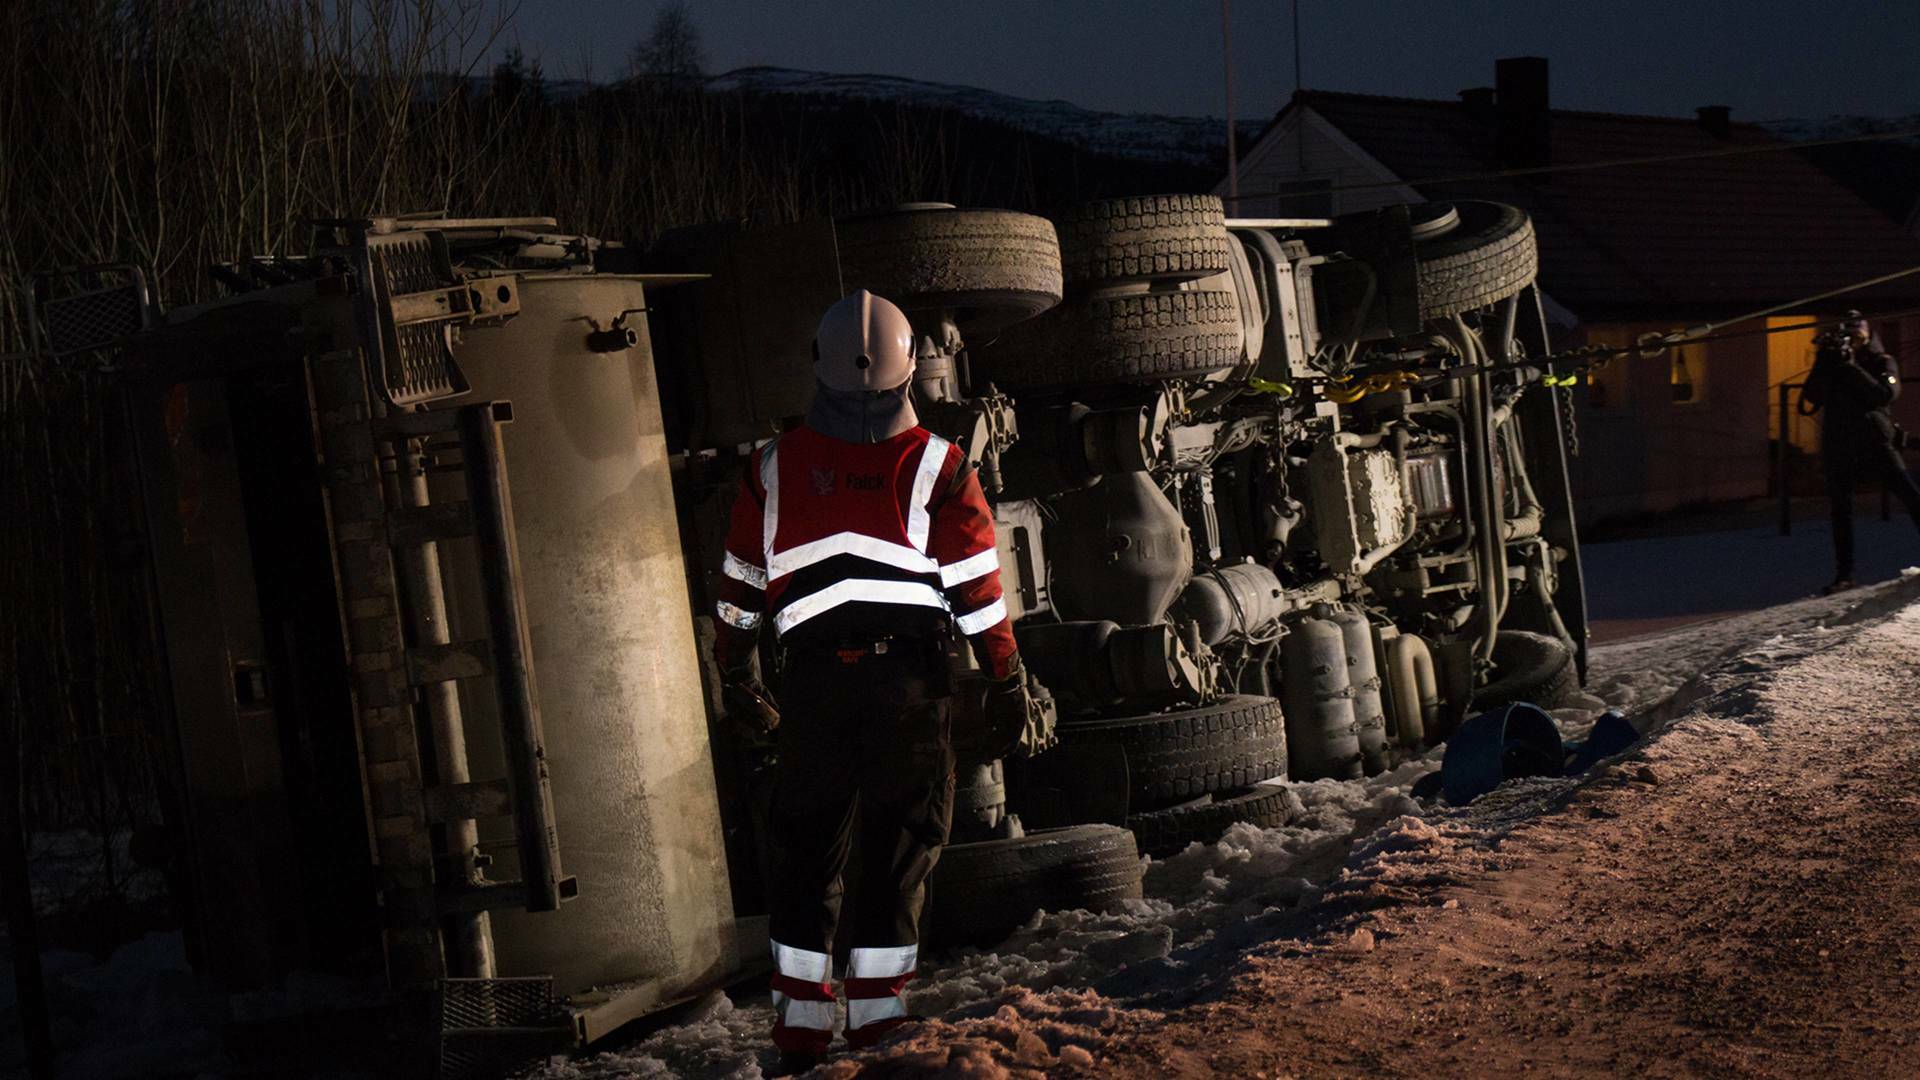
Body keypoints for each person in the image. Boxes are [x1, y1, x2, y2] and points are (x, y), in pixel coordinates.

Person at [708, 289, 1035, 1072]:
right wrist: (1007, 673)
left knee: (806, 858)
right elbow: (979, 588)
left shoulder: (774, 466)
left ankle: (800, 1032)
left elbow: (740, 583)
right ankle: (879, 1030)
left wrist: (736, 672)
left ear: (818, 364)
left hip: (813, 688)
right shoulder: (938, 465)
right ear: (910, 367)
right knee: (898, 855)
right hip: (910, 691)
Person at [1804, 310, 1920, 593]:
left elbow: (1884, 395)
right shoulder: (1833, 363)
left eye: (1858, 334)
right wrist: (1825, 363)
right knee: (1840, 510)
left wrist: (1852, 368)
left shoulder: (1881, 361)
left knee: (1910, 495)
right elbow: (1811, 396)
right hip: (1840, 445)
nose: (1853, 341)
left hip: (1875, 443)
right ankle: (1845, 574)